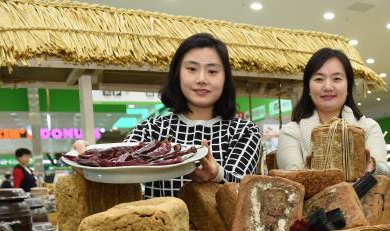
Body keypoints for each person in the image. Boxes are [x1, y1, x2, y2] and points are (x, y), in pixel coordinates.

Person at [71, 33, 261, 198]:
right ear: (177, 75)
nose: (201, 79)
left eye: (212, 71)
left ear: (225, 79)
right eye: (192, 69)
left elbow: (244, 186)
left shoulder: (244, 130)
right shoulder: (151, 129)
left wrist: (217, 174)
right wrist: (85, 161)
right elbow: (118, 170)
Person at [276, 48, 390, 178]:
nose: (328, 87)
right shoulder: (291, 132)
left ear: (348, 86)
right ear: (308, 87)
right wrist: (304, 177)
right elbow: (291, 181)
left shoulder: (369, 127)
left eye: (337, 78)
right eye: (319, 79)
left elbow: (386, 173)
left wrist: (373, 167)